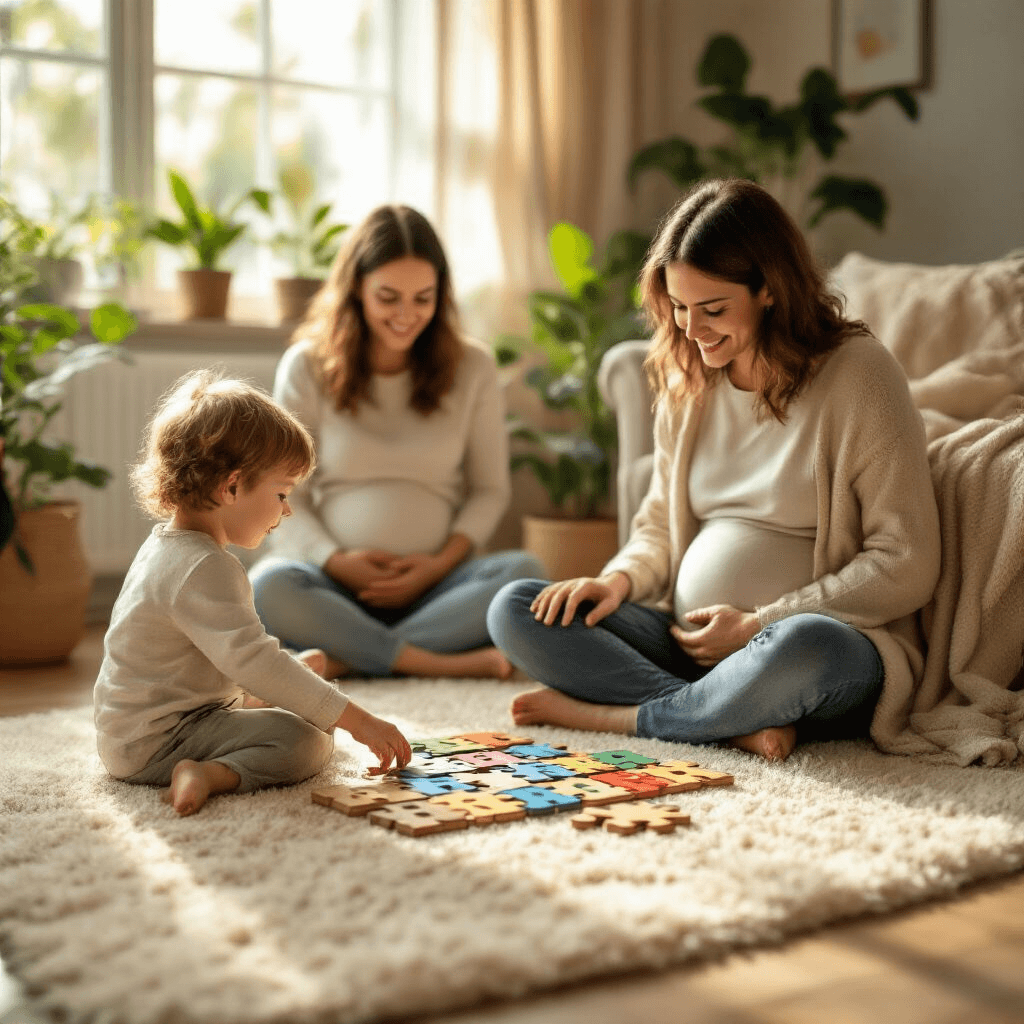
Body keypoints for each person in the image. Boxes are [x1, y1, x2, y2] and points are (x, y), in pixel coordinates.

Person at [487, 178, 941, 762]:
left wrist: (760, 623)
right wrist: (616, 581)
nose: (691, 330)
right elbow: (656, 524)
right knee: (518, 608)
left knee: (804, 648)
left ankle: (621, 717)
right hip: (690, 642)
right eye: (678, 308)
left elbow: (907, 560)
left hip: (815, 644)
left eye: (713, 309)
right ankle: (725, 717)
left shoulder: (858, 375)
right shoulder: (689, 381)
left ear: (770, 290)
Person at [93, 370, 411, 816]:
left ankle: (263, 703)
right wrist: (358, 720)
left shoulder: (167, 547)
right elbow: (253, 660)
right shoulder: (204, 566)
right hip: (156, 743)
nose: (287, 508)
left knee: (301, 703)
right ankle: (207, 772)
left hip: (136, 729)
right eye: (281, 493)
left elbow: (220, 655)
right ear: (232, 486)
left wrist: (276, 688)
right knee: (310, 739)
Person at [249, 204, 543, 680]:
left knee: (525, 573)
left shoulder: (474, 367)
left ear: (441, 296)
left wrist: (434, 567)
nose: (407, 315)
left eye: (423, 298)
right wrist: (337, 561)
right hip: (334, 582)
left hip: (438, 583)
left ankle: (351, 657)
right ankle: (426, 660)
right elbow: (283, 493)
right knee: (267, 585)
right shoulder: (307, 366)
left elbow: (490, 490)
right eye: (388, 297)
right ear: (356, 290)